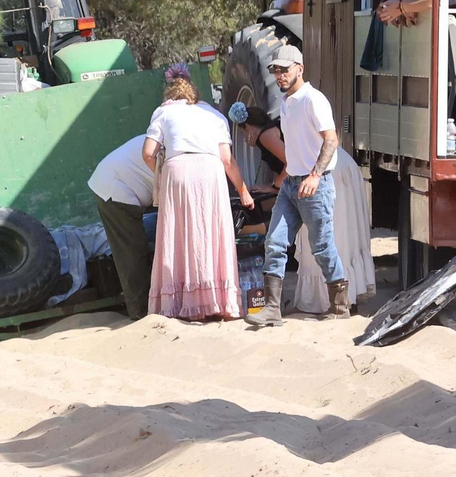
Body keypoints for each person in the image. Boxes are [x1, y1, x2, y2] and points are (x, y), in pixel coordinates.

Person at [238, 104, 376, 315]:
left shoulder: (265, 135)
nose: (246, 140)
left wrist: (274, 186)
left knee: (320, 236)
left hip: (323, 171)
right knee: (339, 232)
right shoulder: (274, 128)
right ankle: (342, 299)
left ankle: (325, 301)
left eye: (244, 133)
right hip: (338, 165)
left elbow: (288, 161)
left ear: (248, 127)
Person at [142, 64, 254, 321]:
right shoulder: (213, 114)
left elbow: (148, 153)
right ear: (195, 93)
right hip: (210, 171)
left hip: (178, 170)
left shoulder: (163, 112)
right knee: (212, 232)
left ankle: (184, 302)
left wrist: (162, 175)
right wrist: (243, 190)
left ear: (169, 93)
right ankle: (219, 301)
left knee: (180, 235)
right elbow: (227, 160)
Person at [247, 46, 348, 328]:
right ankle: (271, 309)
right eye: (276, 70)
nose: (279, 75)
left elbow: (331, 140)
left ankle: (340, 308)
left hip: (315, 184)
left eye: (285, 69)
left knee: (322, 247)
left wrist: (315, 176)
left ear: (300, 68)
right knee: (276, 241)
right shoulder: (287, 103)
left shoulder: (313, 100)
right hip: (292, 184)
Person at [89, 134, 158, 320]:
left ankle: (148, 306)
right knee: (132, 251)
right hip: (114, 187)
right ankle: (142, 313)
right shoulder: (171, 143)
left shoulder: (169, 136)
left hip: (115, 181)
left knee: (135, 249)